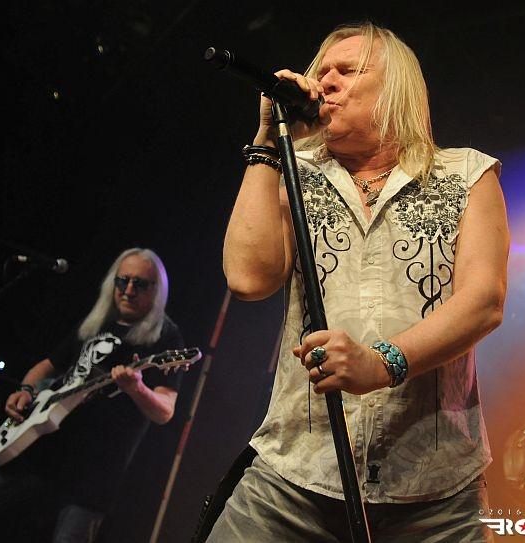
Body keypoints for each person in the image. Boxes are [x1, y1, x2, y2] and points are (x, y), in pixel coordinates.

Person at [213, 22, 509, 542]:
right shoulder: (294, 172)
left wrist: (382, 362)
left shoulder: (466, 174)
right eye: (321, 71)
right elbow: (248, 278)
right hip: (294, 477)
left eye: (347, 71)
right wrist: (267, 143)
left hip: (434, 495)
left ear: (396, 87)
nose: (325, 81)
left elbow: (483, 301)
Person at [0, 248, 184, 543]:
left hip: (93, 473)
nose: (129, 290)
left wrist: (137, 388)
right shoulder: (97, 322)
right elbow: (46, 365)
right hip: (42, 451)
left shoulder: (166, 337)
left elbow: (165, 410)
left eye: (140, 284)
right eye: (122, 281)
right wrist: (25, 391)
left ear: (157, 290)